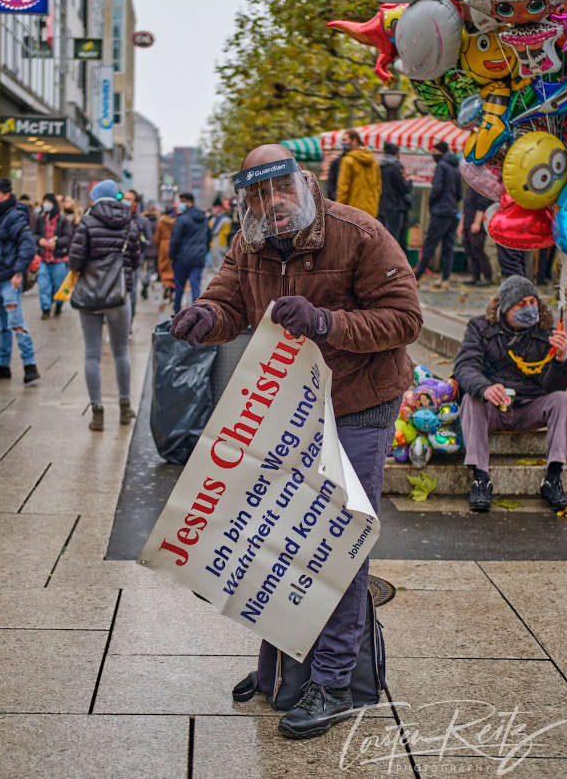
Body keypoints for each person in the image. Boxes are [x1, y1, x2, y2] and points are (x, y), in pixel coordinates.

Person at [170, 144, 422, 739]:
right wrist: (206, 317)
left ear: (303, 184)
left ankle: (334, 683)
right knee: (280, 536)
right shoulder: (250, 239)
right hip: (288, 411)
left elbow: (405, 318)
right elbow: (230, 299)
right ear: (247, 200)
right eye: (259, 195)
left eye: (281, 189)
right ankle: (278, 671)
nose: (273, 204)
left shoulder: (358, 233)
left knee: (338, 542)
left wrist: (327, 322)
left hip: (358, 404)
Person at [455, 275, 567, 512]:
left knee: (564, 400)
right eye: (521, 304)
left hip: (530, 406)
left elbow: (554, 387)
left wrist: (562, 359)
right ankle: (480, 477)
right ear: (506, 307)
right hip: (494, 407)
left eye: (532, 302)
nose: (529, 308)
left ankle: (553, 476)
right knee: (471, 399)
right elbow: (465, 366)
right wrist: (485, 388)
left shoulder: (546, 334)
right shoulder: (479, 328)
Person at [68, 179, 140, 431]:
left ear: (95, 197)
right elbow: (136, 259)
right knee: (121, 352)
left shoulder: (87, 222)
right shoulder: (129, 222)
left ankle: (97, 412)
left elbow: (75, 262)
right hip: (119, 296)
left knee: (92, 354)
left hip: (89, 296)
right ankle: (124, 407)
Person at [0, 177, 40, 384]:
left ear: (5, 193)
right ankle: (2, 365)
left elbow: (27, 246)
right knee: (0, 323)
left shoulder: (14, 216)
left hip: (8, 278)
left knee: (15, 321)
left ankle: (30, 365)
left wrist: (17, 272)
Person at [414, 140, 462, 290]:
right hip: (452, 212)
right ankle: (445, 279)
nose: (432, 154)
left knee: (430, 245)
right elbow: (460, 193)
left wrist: (432, 204)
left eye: (434, 151)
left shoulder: (441, 166)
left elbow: (436, 189)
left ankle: (416, 278)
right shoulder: (456, 168)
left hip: (440, 212)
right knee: (448, 247)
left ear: (439, 151)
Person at [33, 192, 74, 319]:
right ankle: (45, 309)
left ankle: (58, 306)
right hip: (44, 258)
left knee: (59, 285)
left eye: (49, 202)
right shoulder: (40, 219)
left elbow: (68, 237)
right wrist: (40, 240)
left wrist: (56, 243)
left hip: (59, 259)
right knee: (43, 285)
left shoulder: (63, 220)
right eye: (45, 201)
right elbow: (34, 234)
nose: (46, 204)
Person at [169, 192, 210, 313]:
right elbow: (208, 236)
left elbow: (175, 240)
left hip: (181, 258)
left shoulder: (182, 219)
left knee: (179, 287)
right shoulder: (203, 218)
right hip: (198, 257)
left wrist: (171, 255)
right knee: (195, 286)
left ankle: (176, 312)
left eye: (181, 202)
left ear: (188, 202)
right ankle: (196, 313)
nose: (179, 205)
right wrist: (203, 252)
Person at [336, 129, 382, 218]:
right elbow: (378, 186)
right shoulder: (374, 161)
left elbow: (343, 188)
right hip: (371, 211)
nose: (343, 143)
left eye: (345, 140)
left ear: (354, 140)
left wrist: (338, 209)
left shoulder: (348, 161)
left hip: (352, 211)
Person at [123, 189, 152, 321]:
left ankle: (129, 321)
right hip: (117, 261)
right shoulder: (118, 216)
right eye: (124, 198)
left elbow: (149, 240)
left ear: (136, 203)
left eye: (129, 199)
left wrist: (139, 240)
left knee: (131, 292)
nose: (125, 201)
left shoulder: (143, 221)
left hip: (134, 261)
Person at [378, 141, 412, 251]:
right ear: (396, 153)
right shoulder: (394, 167)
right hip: (395, 208)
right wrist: (409, 182)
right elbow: (403, 188)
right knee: (393, 239)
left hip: (381, 207)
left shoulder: (379, 167)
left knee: (382, 237)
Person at [457, 187, 493, 286]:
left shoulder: (481, 187)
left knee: (478, 250)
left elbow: (482, 206)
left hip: (476, 224)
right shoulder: (469, 188)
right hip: (467, 223)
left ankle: (487, 277)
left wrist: (477, 223)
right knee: (469, 250)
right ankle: (475, 276)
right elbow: (465, 208)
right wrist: (461, 225)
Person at [154, 207, 177, 300]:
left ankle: (166, 284)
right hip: (174, 244)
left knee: (163, 266)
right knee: (173, 266)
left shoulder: (161, 222)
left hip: (163, 245)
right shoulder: (177, 223)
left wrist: (158, 246)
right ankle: (172, 286)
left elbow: (156, 238)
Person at [140, 201, 160, 299]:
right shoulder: (158, 221)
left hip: (142, 248)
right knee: (150, 269)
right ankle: (146, 283)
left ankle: (143, 282)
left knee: (140, 268)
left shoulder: (142, 220)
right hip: (153, 249)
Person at [209, 196, 232, 271]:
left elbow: (213, 231)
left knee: (219, 268)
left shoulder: (221, 219)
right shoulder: (224, 218)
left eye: (214, 207)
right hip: (221, 244)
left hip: (218, 245)